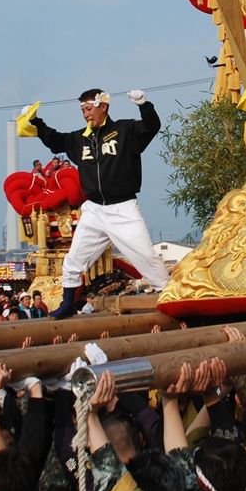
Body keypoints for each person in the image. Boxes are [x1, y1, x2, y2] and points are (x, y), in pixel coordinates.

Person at [29, 88, 172, 318]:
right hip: (94, 210)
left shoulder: (125, 131)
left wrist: (144, 105)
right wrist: (36, 121)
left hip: (123, 207)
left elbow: (151, 126)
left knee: (147, 258)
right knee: (73, 262)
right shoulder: (80, 139)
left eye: (89, 108)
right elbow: (56, 142)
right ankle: (67, 304)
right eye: (83, 110)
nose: (86, 114)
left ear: (103, 106)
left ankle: (170, 298)